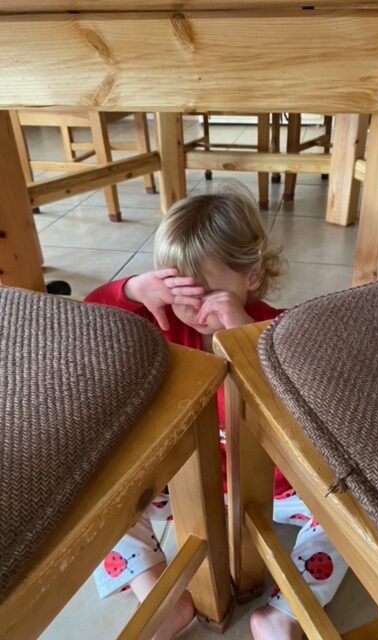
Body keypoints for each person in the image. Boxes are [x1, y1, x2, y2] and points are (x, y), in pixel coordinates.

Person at [85, 186, 348, 640]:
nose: (189, 306)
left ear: (252, 277)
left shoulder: (279, 328)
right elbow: (93, 319)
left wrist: (245, 336)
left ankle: (284, 614)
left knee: (349, 515)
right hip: (186, 480)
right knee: (100, 500)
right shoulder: (163, 323)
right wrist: (133, 289)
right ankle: (160, 598)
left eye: (203, 291)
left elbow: (312, 397)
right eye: (175, 288)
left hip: (279, 487)